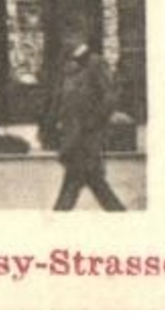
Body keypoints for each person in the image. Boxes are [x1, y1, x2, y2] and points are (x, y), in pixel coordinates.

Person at [50, 30, 127, 211]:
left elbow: (110, 97)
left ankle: (55, 222)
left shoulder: (95, 63)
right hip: (74, 136)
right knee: (94, 183)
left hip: (87, 137)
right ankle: (121, 216)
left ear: (79, 37)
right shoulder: (68, 65)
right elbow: (63, 98)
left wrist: (93, 122)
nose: (64, 40)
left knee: (76, 183)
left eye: (68, 35)